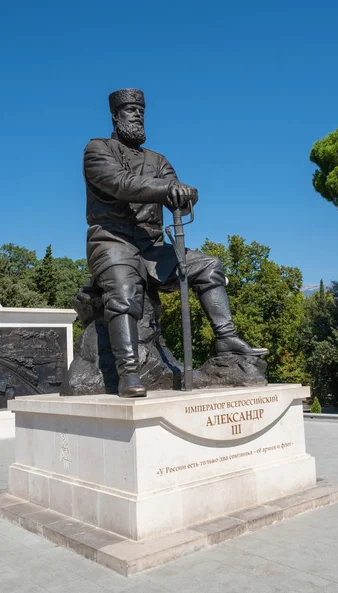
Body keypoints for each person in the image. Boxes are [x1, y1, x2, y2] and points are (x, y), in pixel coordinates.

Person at [84, 88, 267, 398]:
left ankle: (226, 338)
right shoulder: (97, 149)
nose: (138, 115)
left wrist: (185, 196)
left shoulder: (158, 159)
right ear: (115, 116)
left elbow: (177, 190)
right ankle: (129, 371)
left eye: (141, 111)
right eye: (130, 111)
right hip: (112, 240)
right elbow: (120, 183)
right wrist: (167, 188)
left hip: (151, 246)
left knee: (208, 266)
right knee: (124, 288)